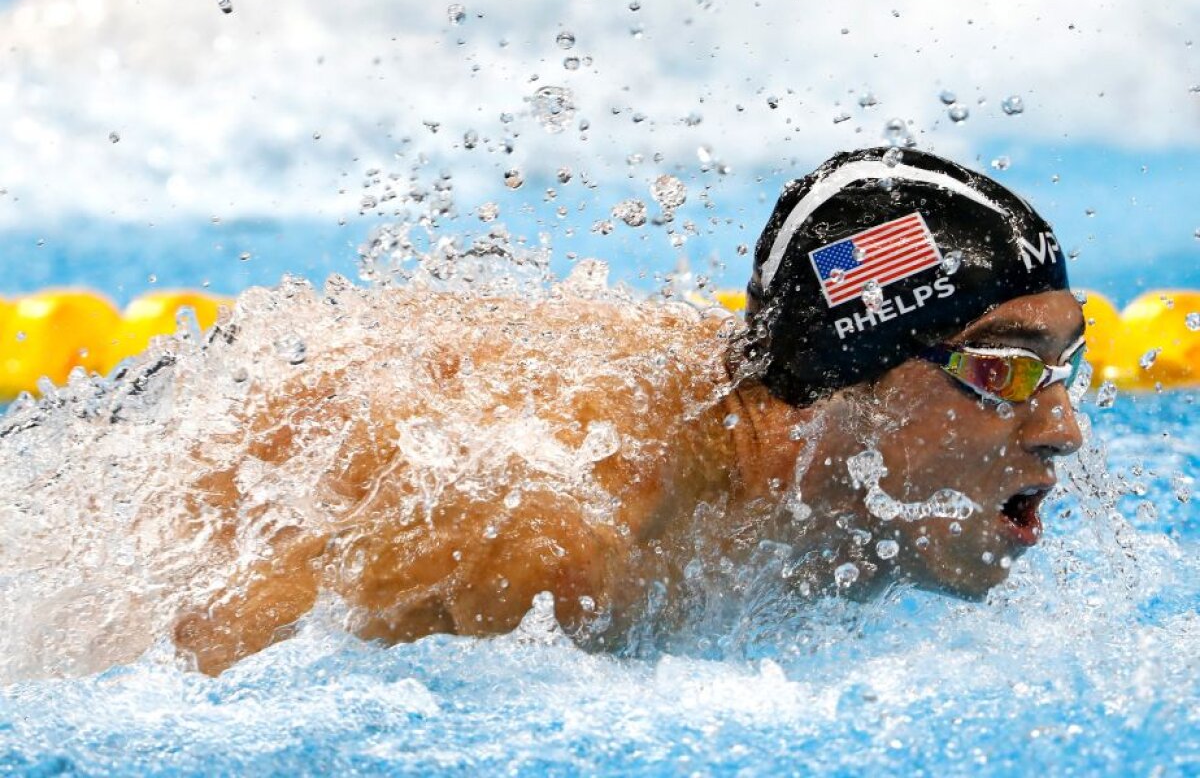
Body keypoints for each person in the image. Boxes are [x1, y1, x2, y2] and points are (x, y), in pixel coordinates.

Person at [173, 147, 1085, 675]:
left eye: (1063, 370)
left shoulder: (831, 504)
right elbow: (210, 686)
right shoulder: (559, 539)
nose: (1062, 430)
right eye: (1004, 371)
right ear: (845, 379)